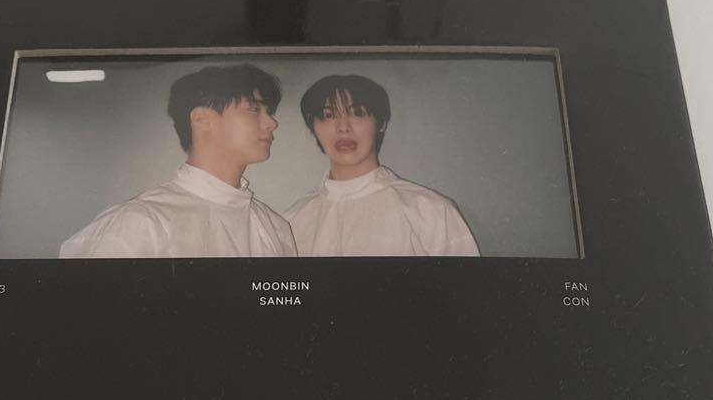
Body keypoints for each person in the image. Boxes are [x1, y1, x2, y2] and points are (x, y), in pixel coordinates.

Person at [60, 64, 297, 258]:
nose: (272, 123)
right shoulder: (139, 225)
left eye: (269, 112)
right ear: (202, 119)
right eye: (254, 109)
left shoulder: (275, 228)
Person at [284, 74, 480, 257]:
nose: (343, 127)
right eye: (328, 115)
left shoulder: (431, 211)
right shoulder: (291, 221)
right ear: (312, 129)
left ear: (381, 123)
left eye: (357, 113)